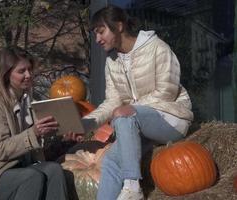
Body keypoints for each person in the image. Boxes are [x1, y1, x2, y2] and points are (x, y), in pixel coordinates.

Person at [81, 5, 194, 200]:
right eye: (95, 34)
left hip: (170, 118)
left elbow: (167, 91)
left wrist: (132, 107)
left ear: (119, 26)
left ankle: (133, 187)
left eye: (101, 32)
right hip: (138, 125)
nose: (97, 39)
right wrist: (86, 124)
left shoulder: (157, 48)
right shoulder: (112, 61)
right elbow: (113, 102)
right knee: (110, 161)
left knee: (125, 117)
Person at [0, 47, 69, 200]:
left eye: (30, 69)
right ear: (7, 74)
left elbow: (37, 141)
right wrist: (34, 133)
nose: (28, 75)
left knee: (54, 170)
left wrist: (57, 132)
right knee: (32, 177)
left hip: (23, 166)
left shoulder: (29, 99)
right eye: (21, 71)